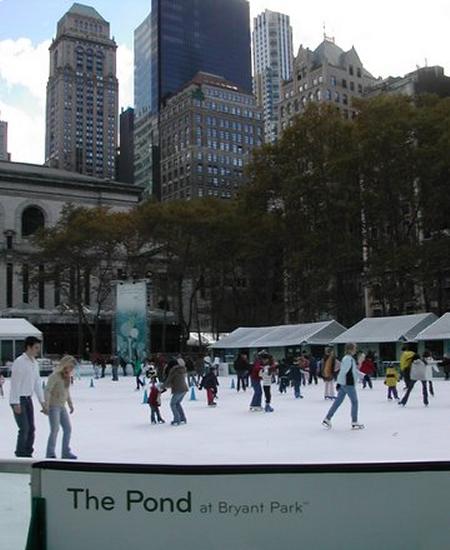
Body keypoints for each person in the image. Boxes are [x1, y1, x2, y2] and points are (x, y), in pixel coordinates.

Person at [9, 336, 46, 458]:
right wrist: (15, 403)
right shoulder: (19, 362)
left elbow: (37, 383)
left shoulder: (34, 363)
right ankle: (20, 454)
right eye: (36, 348)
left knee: (31, 429)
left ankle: (28, 453)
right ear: (28, 347)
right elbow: (15, 383)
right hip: (19, 399)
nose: (37, 351)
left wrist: (42, 401)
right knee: (24, 428)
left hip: (28, 399)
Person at [322, 343, 364, 430]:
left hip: (345, 384)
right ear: (350, 349)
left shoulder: (349, 359)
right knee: (354, 402)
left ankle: (327, 418)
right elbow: (343, 371)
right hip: (348, 384)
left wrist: (363, 375)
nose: (355, 350)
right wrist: (340, 383)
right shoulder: (348, 359)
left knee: (338, 401)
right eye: (354, 348)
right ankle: (354, 421)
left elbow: (353, 371)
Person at [44, 355, 77, 459]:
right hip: (54, 406)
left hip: (62, 406)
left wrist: (70, 404)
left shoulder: (67, 377)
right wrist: (46, 404)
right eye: (70, 367)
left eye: (72, 368)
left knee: (68, 428)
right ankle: (50, 453)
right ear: (64, 365)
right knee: (55, 429)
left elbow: (66, 391)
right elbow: (47, 390)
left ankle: (65, 451)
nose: (71, 369)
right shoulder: (55, 376)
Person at [162, 358, 188, 426]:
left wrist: (162, 386)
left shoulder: (173, 370)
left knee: (172, 404)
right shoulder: (181, 369)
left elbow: (168, 380)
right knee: (177, 403)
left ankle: (177, 420)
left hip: (178, 389)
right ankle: (182, 418)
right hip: (184, 389)